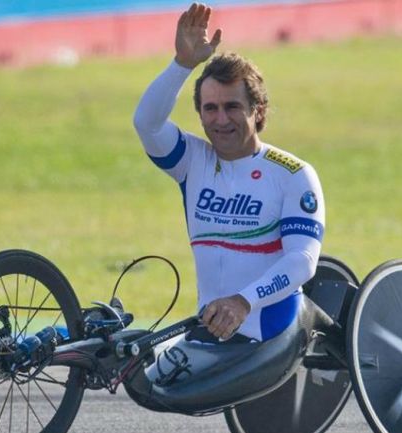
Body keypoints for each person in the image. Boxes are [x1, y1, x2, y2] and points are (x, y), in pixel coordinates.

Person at [133, 3, 325, 343]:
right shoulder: (192, 161)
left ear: (257, 110)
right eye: (210, 109)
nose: (221, 120)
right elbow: (146, 123)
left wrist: (243, 302)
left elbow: (303, 261)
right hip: (210, 330)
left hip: (268, 330)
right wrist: (183, 64)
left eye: (232, 107)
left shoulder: (294, 174)